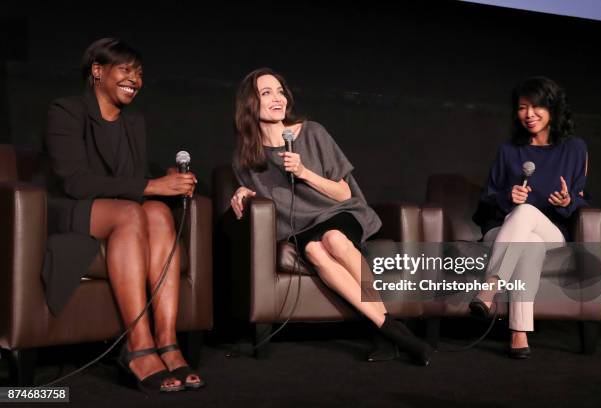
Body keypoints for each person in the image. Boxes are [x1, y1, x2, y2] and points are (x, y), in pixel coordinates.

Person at [230, 67, 432, 366]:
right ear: (250, 103)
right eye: (266, 92)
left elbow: (343, 194)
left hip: (339, 213)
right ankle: (390, 330)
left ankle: (388, 332)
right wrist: (241, 192)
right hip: (299, 227)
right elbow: (251, 192)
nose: (278, 98)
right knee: (312, 249)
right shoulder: (246, 158)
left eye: (280, 91)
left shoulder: (313, 132)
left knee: (334, 239)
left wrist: (303, 172)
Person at [43, 38, 203, 392]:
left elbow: (129, 179)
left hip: (119, 209)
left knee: (160, 213)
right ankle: (138, 345)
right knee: (134, 211)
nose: (135, 80)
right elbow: (74, 181)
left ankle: (167, 342)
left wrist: (169, 186)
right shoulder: (66, 110)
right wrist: (153, 185)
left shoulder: (134, 124)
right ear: (97, 71)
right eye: (126, 70)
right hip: (72, 209)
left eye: (140, 73)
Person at [471, 76, 589, 359]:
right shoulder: (509, 150)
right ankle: (519, 332)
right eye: (523, 108)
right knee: (529, 242)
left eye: (537, 107)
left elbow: (581, 197)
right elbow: (486, 202)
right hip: (503, 230)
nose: (529, 114)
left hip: (553, 230)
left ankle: (489, 288)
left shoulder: (575, 149)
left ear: (553, 110)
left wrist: (568, 201)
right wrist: (506, 198)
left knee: (527, 216)